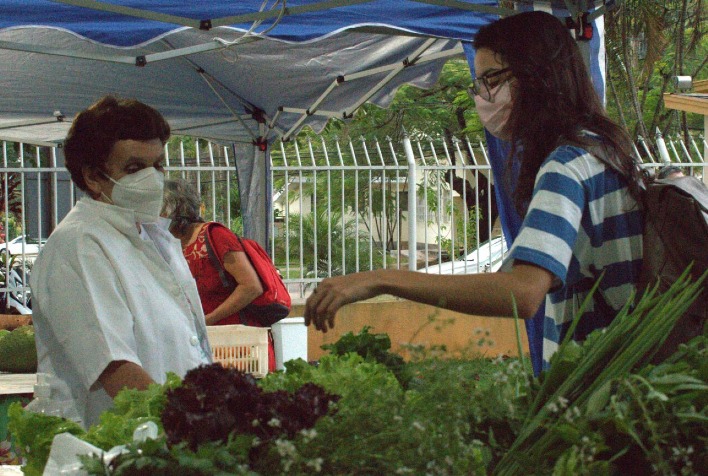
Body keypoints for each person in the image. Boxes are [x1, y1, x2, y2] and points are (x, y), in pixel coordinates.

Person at [305, 11, 646, 369]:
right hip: (625, 374)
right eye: (478, 83)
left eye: (492, 79)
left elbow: (523, 292)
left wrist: (383, 279)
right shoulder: (606, 149)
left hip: (598, 382)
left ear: (538, 74)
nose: (482, 96)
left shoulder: (567, 164)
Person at [30, 96, 212, 427]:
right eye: (133, 169)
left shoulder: (153, 237)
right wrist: (195, 425)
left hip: (165, 443)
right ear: (93, 177)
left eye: (157, 165)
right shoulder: (80, 245)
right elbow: (116, 369)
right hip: (112, 449)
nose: (152, 178)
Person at [161, 179, 276, 372]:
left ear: (174, 209)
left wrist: (208, 320)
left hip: (236, 342)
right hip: (203, 342)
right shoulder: (170, 243)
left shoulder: (215, 235)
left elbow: (251, 286)